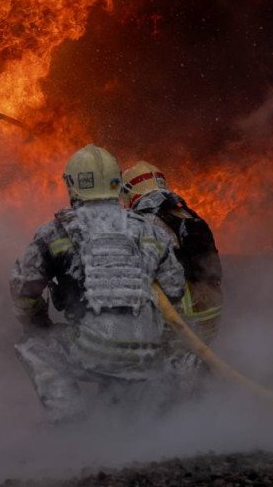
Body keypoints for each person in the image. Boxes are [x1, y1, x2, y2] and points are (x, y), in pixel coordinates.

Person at [10, 145, 186, 422]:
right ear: (117, 183)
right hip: (149, 353)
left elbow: (23, 289)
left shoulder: (54, 232)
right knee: (146, 351)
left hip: (91, 352)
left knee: (33, 346)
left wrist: (39, 324)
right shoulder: (148, 229)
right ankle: (144, 413)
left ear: (72, 185)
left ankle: (71, 419)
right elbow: (175, 290)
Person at [119, 160, 223, 344]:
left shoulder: (146, 221)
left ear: (130, 192)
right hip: (211, 316)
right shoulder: (187, 215)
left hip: (178, 320)